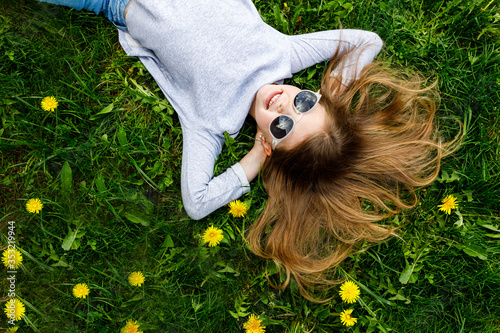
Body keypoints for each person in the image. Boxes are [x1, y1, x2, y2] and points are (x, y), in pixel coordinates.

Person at [37, 0, 457, 300]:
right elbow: (367, 41)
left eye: (282, 126)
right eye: (305, 102)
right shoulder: (284, 55)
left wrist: (252, 162)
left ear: (271, 144)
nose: (284, 104)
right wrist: (334, 91)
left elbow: (196, 202)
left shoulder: (211, 120)